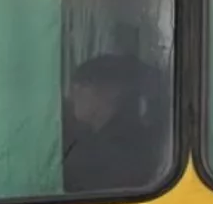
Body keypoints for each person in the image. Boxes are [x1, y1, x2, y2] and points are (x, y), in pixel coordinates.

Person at [62, 53, 167, 195]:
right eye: (74, 87)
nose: (73, 95)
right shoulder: (91, 137)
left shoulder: (120, 151)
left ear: (112, 91)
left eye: (83, 85)